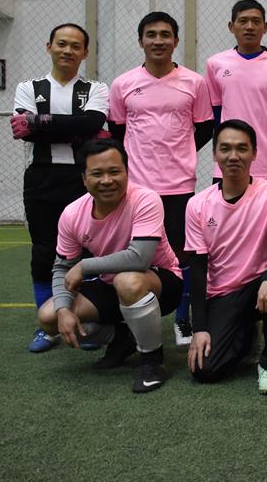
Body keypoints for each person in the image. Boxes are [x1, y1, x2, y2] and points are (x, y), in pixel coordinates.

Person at [36, 139, 182, 393]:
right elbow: (62, 268)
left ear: (126, 172)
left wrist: (85, 266)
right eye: (97, 174)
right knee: (49, 317)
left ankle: (152, 359)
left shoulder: (146, 199)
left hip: (161, 282)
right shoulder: (72, 214)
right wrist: (63, 309)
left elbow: (140, 258)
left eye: (114, 171)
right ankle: (121, 338)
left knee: (127, 280)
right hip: (110, 283)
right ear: (84, 179)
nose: (107, 180)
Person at [108, 11, 214, 347]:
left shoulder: (194, 83)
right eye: (151, 35)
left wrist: (180, 152)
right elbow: (117, 131)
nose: (158, 41)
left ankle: (182, 320)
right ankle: (128, 325)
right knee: (133, 256)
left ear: (176, 40)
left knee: (182, 256)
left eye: (165, 34)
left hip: (179, 186)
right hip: (137, 190)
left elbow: (205, 127)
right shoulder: (123, 84)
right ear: (141, 41)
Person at [11, 23, 109, 352]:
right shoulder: (28, 87)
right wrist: (74, 128)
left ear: (85, 52)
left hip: (84, 180)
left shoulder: (95, 89)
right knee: (44, 251)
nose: (68, 50)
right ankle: (48, 326)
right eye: (62, 44)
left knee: (90, 249)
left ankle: (91, 322)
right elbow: (23, 129)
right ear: (49, 46)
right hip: (41, 178)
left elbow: (92, 123)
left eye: (75, 46)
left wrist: (39, 122)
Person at [185, 120, 267, 394]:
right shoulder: (197, 204)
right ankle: (246, 335)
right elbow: (197, 270)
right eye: (225, 148)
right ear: (214, 154)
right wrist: (199, 329)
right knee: (205, 371)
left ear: (254, 153)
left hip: (261, 287)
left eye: (241, 148)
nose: (233, 156)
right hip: (222, 295)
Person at [205, 0, 267, 192]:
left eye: (256, 21)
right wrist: (232, 139)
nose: (249, 27)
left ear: (265, 27)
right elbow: (215, 110)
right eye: (243, 21)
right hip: (228, 164)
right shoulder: (215, 63)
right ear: (231, 27)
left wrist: (263, 136)